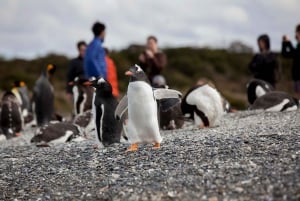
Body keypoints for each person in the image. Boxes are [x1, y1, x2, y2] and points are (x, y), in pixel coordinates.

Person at [281, 24, 300, 98]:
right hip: (296, 77)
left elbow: (296, 54)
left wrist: (288, 43)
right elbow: (285, 54)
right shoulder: (297, 47)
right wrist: (284, 43)